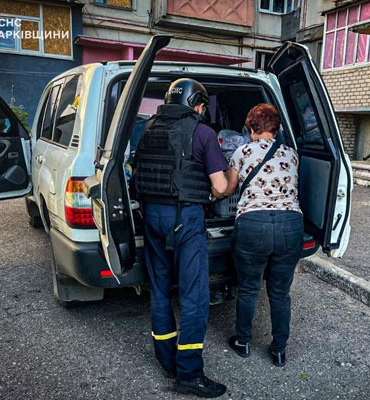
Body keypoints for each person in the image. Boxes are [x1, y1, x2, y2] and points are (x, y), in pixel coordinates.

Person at [134, 78, 227, 398]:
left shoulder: (148, 128)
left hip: (152, 217)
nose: (202, 110)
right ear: (196, 104)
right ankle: (189, 373)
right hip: (185, 219)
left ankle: (167, 361)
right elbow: (219, 186)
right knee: (194, 296)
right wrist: (218, 189)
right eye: (201, 106)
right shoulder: (203, 132)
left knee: (160, 291)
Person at [220, 103, 303, 367]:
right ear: (277, 128)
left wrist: (212, 195)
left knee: (248, 288)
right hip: (291, 224)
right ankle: (279, 350)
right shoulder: (292, 154)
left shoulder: (242, 151)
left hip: (253, 224)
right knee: (280, 292)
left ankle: (243, 341)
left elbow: (228, 189)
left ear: (251, 128)